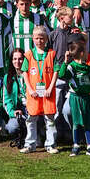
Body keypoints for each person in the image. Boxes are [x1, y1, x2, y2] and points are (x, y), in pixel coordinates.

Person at [61, 40, 90, 157]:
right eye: (85, 51)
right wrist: (65, 62)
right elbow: (62, 75)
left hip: (86, 98)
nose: (87, 53)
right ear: (81, 53)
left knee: (87, 121)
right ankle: (76, 146)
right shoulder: (72, 67)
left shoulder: (87, 68)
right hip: (75, 98)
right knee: (77, 122)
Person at [19, 26, 58, 154]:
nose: (39, 41)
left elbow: (56, 72)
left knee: (49, 118)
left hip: (48, 93)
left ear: (46, 39)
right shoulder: (29, 54)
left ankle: (50, 144)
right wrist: (30, 89)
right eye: (36, 38)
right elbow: (24, 72)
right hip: (33, 94)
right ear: (33, 38)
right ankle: (30, 144)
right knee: (31, 118)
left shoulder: (52, 54)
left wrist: (50, 88)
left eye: (42, 38)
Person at [3, 48, 29, 147]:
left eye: (20, 59)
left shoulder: (31, 75)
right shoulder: (7, 77)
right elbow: (6, 100)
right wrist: (12, 112)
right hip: (19, 110)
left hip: (31, 108)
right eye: (14, 59)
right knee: (11, 127)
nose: (17, 61)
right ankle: (22, 135)